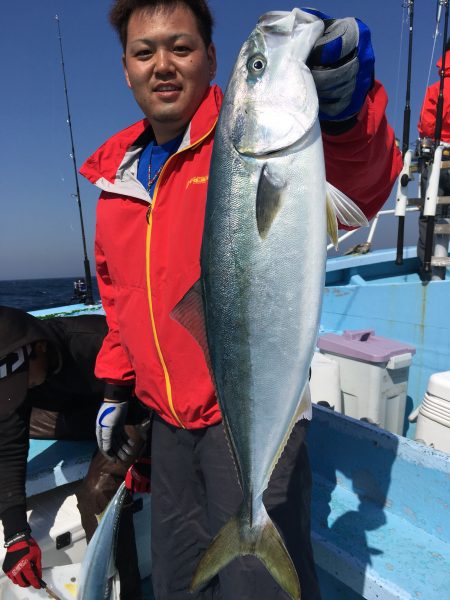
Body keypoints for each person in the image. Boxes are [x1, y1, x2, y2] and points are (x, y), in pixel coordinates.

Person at [80, 2, 402, 598]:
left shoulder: (244, 141)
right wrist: (116, 391)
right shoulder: (114, 183)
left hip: (247, 419)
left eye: (181, 47)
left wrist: (348, 113)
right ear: (126, 70)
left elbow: (363, 182)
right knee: (179, 586)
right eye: (144, 52)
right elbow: (120, 306)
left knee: (258, 590)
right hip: (167, 434)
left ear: (210, 57)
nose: (163, 66)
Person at [0, 306, 146, 599]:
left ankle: (124, 592)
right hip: (73, 413)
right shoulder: (23, 378)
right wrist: (16, 533)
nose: (21, 387)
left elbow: (155, 386)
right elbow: (9, 447)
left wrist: (149, 450)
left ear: (40, 348)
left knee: (96, 493)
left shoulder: (90, 341)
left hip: (131, 409)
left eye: (23, 378)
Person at [417, 39, 450, 278]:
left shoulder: (433, 90)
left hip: (439, 158)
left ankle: (429, 266)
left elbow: (426, 126)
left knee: (432, 213)